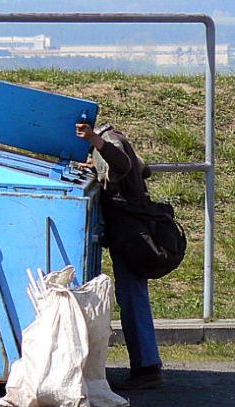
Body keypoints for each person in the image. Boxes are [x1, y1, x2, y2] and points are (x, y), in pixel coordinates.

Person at [75, 122, 163, 390]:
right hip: (132, 229)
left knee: (133, 297)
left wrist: (95, 142)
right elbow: (141, 168)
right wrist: (97, 167)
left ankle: (147, 368)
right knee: (132, 295)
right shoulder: (115, 137)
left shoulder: (106, 140)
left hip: (130, 232)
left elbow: (123, 165)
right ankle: (145, 365)